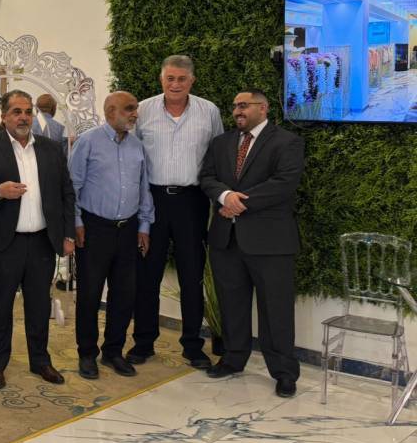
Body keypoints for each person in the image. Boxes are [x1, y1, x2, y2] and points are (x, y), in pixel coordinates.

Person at [0, 90, 75, 389]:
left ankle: (40, 361)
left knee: (39, 306)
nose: (23, 117)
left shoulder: (50, 149)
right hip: (2, 243)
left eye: (28, 111)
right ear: (4, 117)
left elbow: (66, 193)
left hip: (41, 242)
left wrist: (67, 233)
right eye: (16, 112)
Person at [199, 90, 305, 398]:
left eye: (243, 105)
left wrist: (238, 203)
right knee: (231, 304)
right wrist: (224, 196)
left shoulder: (287, 142)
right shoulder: (221, 143)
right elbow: (207, 177)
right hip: (226, 240)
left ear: (263, 108)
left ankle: (284, 372)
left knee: (276, 309)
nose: (237, 111)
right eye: (234, 106)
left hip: (271, 242)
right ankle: (233, 359)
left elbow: (284, 183)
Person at [129, 55, 223, 370]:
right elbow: (132, 156)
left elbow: (218, 157)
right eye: (170, 78)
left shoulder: (209, 112)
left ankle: (193, 346)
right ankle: (143, 342)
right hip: (152, 201)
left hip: (192, 201)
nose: (175, 84)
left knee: (192, 276)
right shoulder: (143, 110)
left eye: (182, 79)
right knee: (147, 275)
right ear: (161, 79)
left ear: (192, 80)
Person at [69, 91, 153, 380]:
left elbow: (144, 188)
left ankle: (113, 352)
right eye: (129, 109)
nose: (135, 114)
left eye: (135, 108)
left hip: (128, 230)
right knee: (90, 294)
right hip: (94, 229)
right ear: (110, 112)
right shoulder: (88, 142)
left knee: (124, 294)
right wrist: (76, 222)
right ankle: (87, 354)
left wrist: (144, 225)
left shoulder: (137, 146)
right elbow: (72, 186)